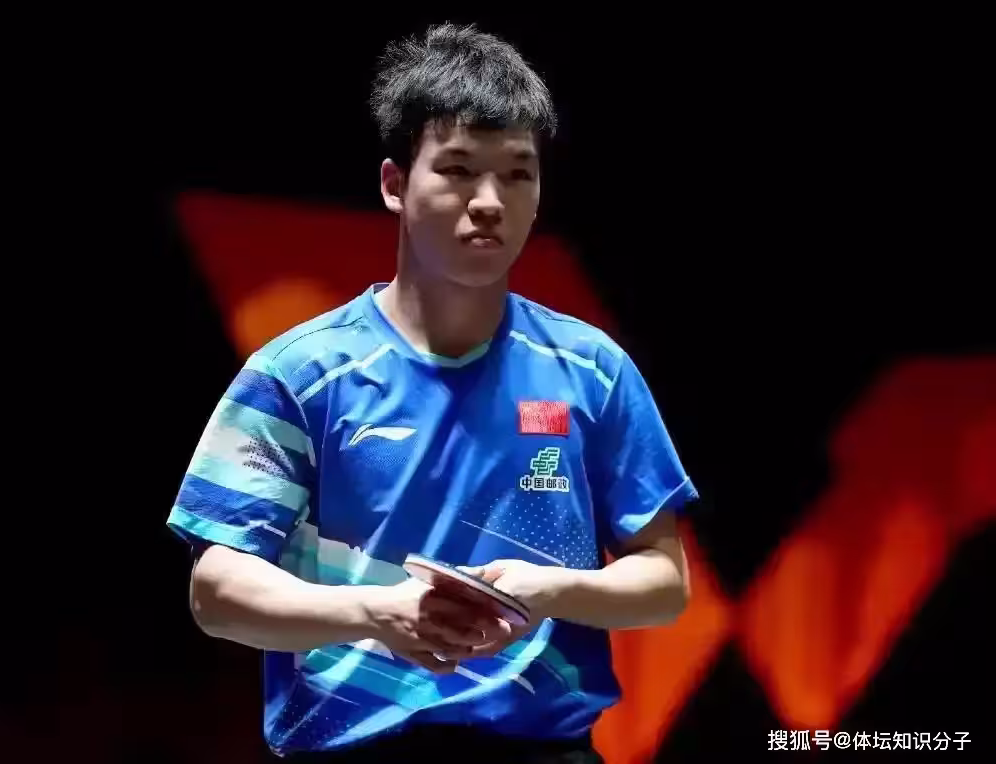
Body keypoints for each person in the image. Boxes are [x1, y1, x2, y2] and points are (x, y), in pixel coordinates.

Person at [167, 22, 698, 763]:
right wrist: (376, 611)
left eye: (518, 174)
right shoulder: (297, 374)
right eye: (457, 169)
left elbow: (665, 582)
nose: (490, 201)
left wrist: (547, 590)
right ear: (394, 184)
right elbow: (217, 590)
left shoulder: (594, 370)